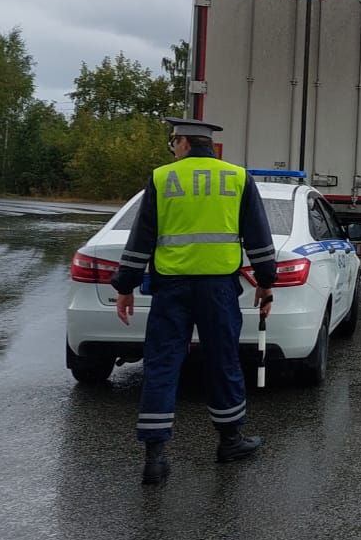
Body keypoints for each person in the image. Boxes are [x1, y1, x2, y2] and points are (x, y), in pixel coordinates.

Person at [110, 116, 279, 485]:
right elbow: (259, 238)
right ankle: (230, 442)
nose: (172, 148)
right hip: (219, 289)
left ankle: (155, 460)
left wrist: (125, 286)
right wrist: (266, 284)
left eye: (173, 142)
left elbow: (141, 240)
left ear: (183, 143)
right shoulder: (237, 178)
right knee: (223, 362)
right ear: (210, 146)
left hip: (171, 288)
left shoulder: (161, 178)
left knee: (162, 365)